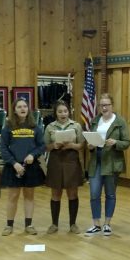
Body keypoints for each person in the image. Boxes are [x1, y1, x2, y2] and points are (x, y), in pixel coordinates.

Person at [85, 93, 130, 236]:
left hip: (111, 161)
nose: (104, 108)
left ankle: (107, 224)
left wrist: (116, 142)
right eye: (101, 105)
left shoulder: (120, 121)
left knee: (110, 193)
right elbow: (90, 139)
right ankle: (96, 224)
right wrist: (90, 146)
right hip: (96, 160)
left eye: (106, 105)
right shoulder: (95, 120)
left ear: (112, 106)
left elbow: (126, 143)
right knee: (94, 193)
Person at [0, 98, 46, 236]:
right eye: (19, 107)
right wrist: (14, 163)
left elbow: (42, 146)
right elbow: (3, 148)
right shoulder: (8, 127)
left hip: (30, 166)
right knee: (13, 196)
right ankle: (9, 225)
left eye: (25, 106)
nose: (22, 109)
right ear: (14, 110)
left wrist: (33, 155)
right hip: (14, 166)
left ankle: (29, 225)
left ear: (28, 109)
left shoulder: (35, 127)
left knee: (29, 195)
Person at [44, 100, 84, 234]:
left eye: (65, 111)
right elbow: (45, 146)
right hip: (55, 161)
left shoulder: (76, 126)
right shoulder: (50, 127)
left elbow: (81, 145)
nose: (63, 114)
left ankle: (73, 224)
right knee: (56, 193)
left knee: (72, 193)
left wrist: (72, 145)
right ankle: (54, 224)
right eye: (60, 111)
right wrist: (53, 145)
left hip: (71, 161)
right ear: (55, 113)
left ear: (69, 112)